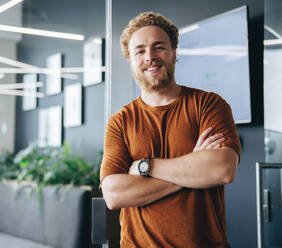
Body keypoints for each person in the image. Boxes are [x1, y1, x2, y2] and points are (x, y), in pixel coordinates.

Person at [100, 11, 241, 248]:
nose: (150, 57)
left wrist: (145, 166)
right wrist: (194, 170)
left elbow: (222, 169)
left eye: (159, 47)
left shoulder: (209, 104)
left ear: (174, 54)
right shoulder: (120, 122)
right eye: (140, 51)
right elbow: (114, 195)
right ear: (131, 61)